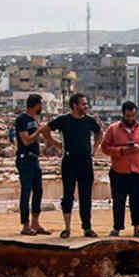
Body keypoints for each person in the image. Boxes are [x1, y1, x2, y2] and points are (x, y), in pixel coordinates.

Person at [49, 93, 103, 238]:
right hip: (69, 161)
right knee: (68, 195)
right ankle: (67, 228)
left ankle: (87, 227)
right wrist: (56, 144)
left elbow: (99, 132)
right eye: (83, 104)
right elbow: (45, 130)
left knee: (86, 196)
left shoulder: (89, 121)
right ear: (74, 105)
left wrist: (95, 148)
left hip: (85, 161)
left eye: (86, 104)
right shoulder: (63, 120)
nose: (86, 106)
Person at [101, 101, 139, 237]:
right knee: (118, 201)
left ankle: (137, 228)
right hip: (119, 171)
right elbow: (105, 148)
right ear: (123, 114)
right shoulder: (113, 129)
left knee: (137, 201)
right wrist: (121, 150)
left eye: (133, 116)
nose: (130, 119)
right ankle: (117, 227)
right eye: (128, 116)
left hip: (137, 171)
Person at [13, 93, 51, 235]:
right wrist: (38, 131)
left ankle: (35, 222)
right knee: (26, 191)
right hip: (25, 159)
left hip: (34, 159)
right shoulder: (22, 120)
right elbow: (26, 140)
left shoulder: (35, 119)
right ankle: (25, 225)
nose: (42, 107)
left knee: (38, 191)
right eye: (41, 104)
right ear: (35, 105)